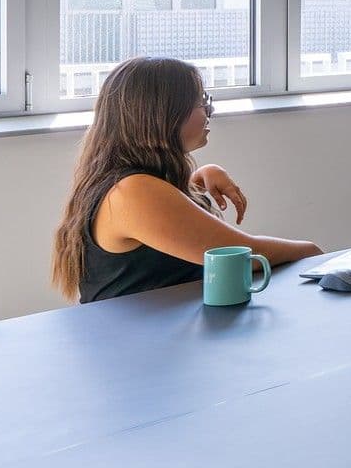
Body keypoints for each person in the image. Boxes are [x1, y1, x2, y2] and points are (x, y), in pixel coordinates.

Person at [51, 57, 322, 304]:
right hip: (138, 347)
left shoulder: (124, 182)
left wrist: (194, 182)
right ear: (162, 115)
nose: (208, 111)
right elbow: (240, 254)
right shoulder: (133, 192)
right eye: (200, 102)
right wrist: (312, 252)